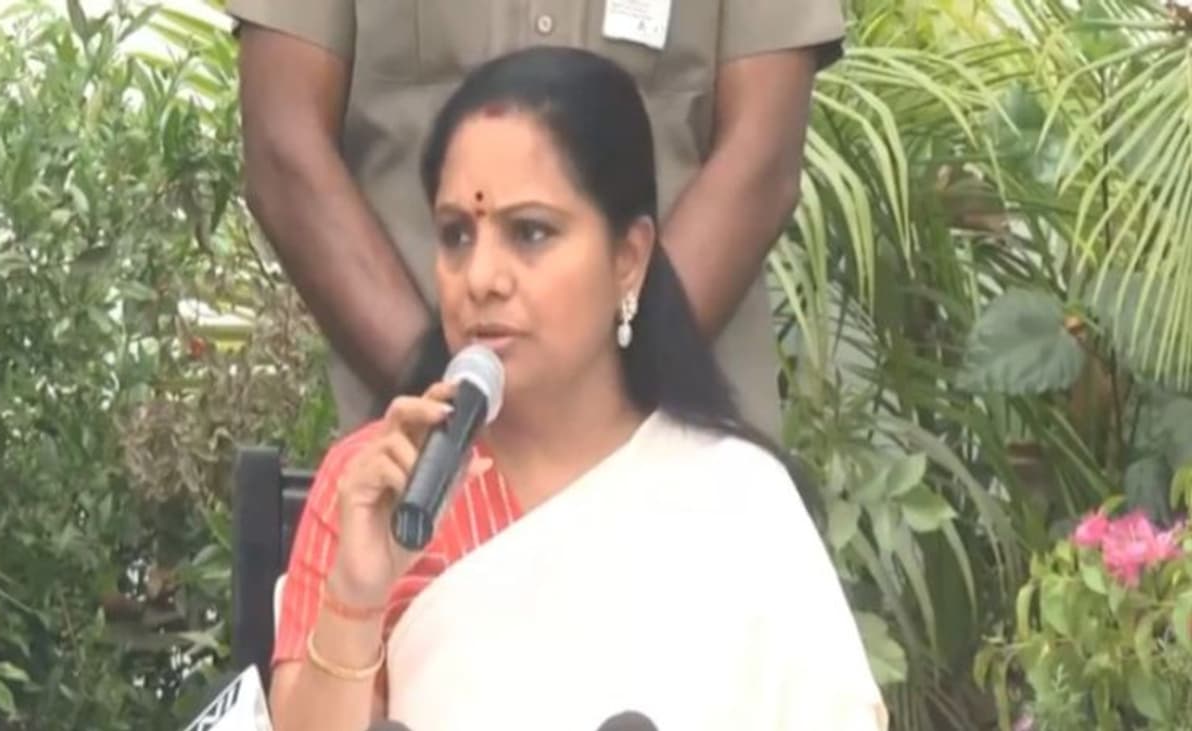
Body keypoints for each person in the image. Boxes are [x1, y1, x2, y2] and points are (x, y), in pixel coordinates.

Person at [264, 47, 888, 731]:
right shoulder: (381, 487)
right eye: (456, 235)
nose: (482, 278)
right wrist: (356, 597)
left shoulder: (737, 499)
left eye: (530, 232)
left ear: (628, 259)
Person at [229, 0, 845, 443]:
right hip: (422, 472)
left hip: (679, 466)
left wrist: (600, 419)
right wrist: (458, 404)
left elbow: (761, 157)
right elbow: (286, 149)